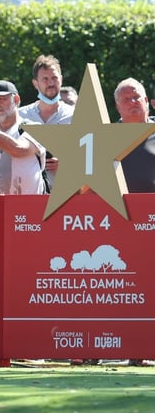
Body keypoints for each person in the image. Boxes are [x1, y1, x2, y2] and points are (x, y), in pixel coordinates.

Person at [114, 78, 155, 367]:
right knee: (128, 287)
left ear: (147, 99)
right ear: (117, 106)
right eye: (126, 99)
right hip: (120, 221)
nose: (132, 102)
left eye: (136, 97)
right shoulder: (106, 137)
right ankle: (133, 349)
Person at [18, 55, 74, 186]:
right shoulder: (21, 116)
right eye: (45, 79)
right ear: (35, 83)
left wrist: (68, 163)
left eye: (54, 78)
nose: (50, 83)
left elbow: (90, 156)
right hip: (28, 194)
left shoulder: (76, 116)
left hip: (66, 194)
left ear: (61, 79)